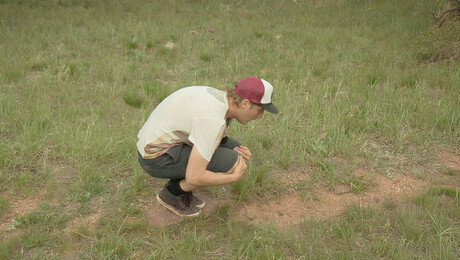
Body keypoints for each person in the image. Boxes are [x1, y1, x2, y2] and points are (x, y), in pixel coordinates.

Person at [137, 77, 279, 217]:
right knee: (232, 163)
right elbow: (194, 177)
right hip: (155, 158)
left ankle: (179, 184)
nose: (260, 116)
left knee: (235, 149)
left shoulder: (221, 100)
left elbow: (208, 135)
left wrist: (239, 148)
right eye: (260, 110)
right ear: (245, 104)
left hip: (161, 144)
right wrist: (232, 177)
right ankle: (173, 193)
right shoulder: (213, 120)